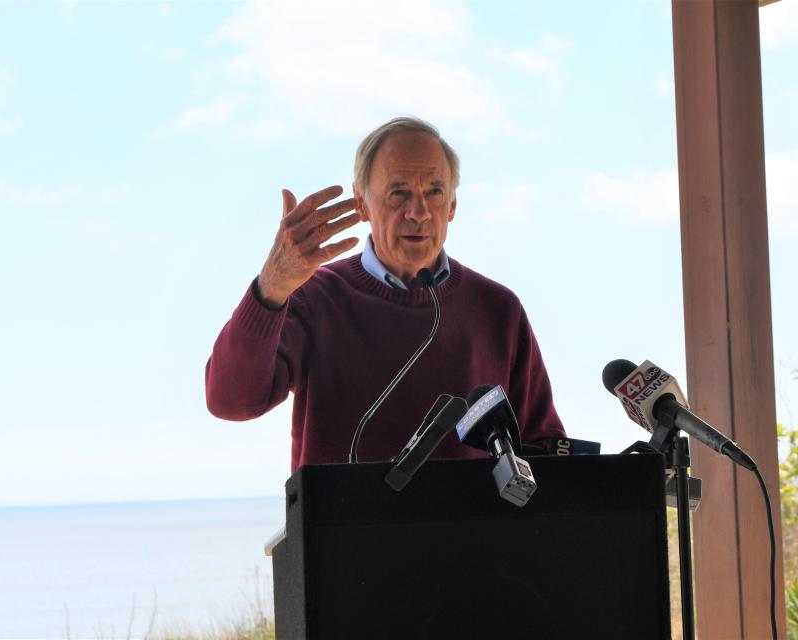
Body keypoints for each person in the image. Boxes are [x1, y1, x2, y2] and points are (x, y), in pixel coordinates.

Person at [206, 116, 565, 470]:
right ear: (362, 204)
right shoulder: (313, 297)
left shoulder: (498, 309)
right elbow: (230, 401)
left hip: (473, 528)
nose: (419, 212)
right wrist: (272, 285)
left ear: (452, 206)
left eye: (435, 192)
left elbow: (544, 447)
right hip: (343, 527)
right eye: (399, 192)